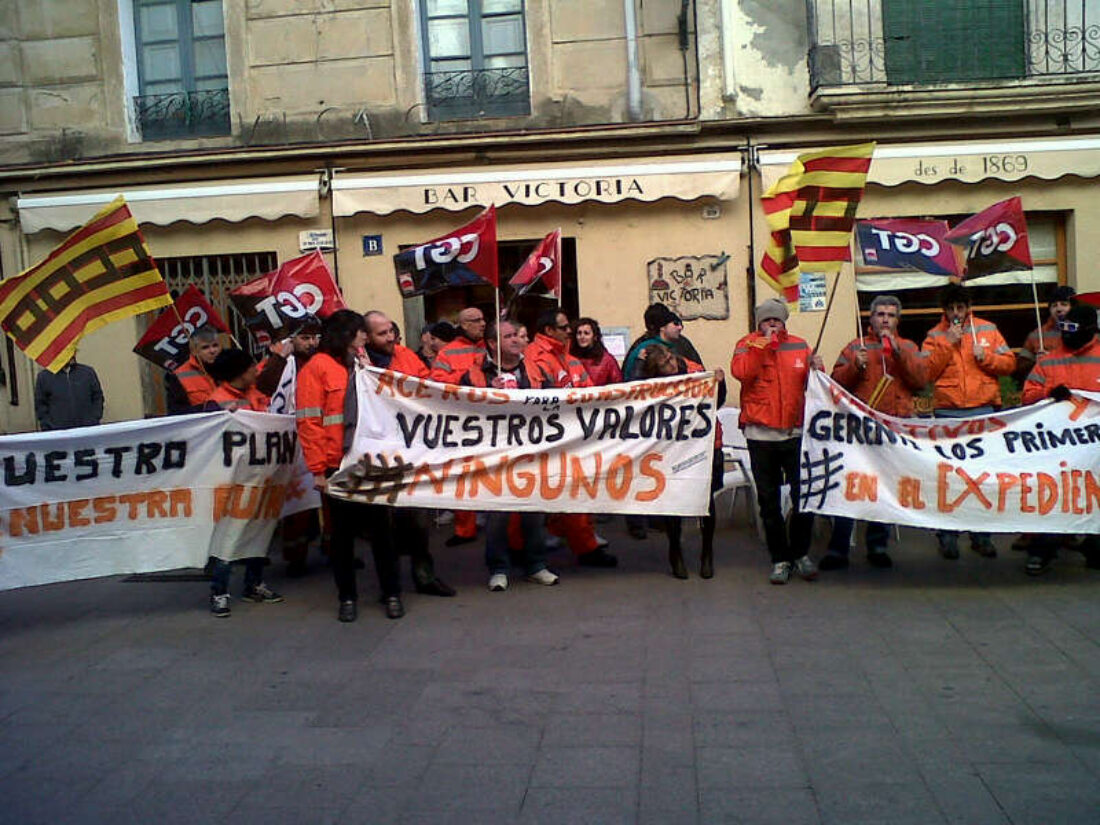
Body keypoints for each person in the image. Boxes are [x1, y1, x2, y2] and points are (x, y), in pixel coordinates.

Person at [297, 309, 402, 622]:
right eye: (360, 332)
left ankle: (392, 592)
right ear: (345, 334)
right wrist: (317, 470)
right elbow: (309, 421)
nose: (365, 337)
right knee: (341, 537)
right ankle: (347, 597)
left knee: (383, 533)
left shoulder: (362, 363)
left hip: (370, 460)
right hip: (335, 465)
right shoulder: (317, 369)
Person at [822, 295, 928, 571]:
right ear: (870, 318)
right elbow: (835, 384)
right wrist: (854, 366)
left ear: (897, 320)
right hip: (859, 430)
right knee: (851, 486)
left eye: (890, 315)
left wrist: (898, 354)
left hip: (893, 428)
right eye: (880, 314)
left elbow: (920, 380)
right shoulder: (854, 346)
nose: (885, 319)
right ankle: (839, 547)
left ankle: (878, 545)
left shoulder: (907, 346)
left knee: (884, 487)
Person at [358, 310, 457, 599]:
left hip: (410, 449)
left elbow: (428, 387)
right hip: (376, 453)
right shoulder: (353, 362)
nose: (390, 338)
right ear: (366, 337)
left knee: (417, 518)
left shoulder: (405, 356)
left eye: (391, 331)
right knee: (382, 523)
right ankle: (390, 587)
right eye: (382, 333)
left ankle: (424, 576)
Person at [730, 298, 824, 585]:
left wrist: (817, 368)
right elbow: (742, 373)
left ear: (785, 321)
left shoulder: (799, 345)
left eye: (777, 319)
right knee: (769, 502)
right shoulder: (746, 344)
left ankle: (800, 553)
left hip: (795, 435)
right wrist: (763, 346)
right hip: (760, 435)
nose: (772, 323)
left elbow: (816, 387)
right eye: (766, 319)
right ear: (758, 322)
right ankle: (780, 558)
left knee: (803, 498)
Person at [462, 319, 560, 590]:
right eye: (509, 337)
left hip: (531, 450)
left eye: (518, 335)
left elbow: (556, 405)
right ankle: (498, 568)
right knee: (498, 514)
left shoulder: (536, 370)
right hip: (495, 454)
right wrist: (487, 394)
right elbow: (460, 411)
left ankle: (536, 565)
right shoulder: (474, 376)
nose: (517, 340)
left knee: (534, 511)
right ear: (492, 344)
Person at [922, 284, 1016, 560]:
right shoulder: (934, 336)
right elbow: (926, 373)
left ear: (968, 307)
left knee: (982, 475)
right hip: (948, 413)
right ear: (944, 309)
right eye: (950, 308)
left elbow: (1009, 364)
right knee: (949, 477)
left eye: (960, 308)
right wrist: (947, 343)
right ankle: (948, 535)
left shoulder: (988, 329)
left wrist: (985, 357)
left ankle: (981, 535)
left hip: (983, 411)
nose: (955, 313)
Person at [526, 309, 617, 568]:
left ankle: (579, 543)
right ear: (548, 331)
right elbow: (535, 397)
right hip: (548, 439)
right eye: (564, 327)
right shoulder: (534, 356)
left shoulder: (568, 356)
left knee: (577, 493)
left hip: (573, 436)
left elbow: (588, 389)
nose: (570, 331)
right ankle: (527, 551)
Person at [1020, 302, 1100, 575]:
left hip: (1094, 450)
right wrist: (1049, 393)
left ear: (1090, 329)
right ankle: (1042, 550)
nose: (1065, 333)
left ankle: (1094, 548)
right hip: (1057, 449)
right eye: (1063, 327)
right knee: (1051, 498)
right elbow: (1027, 396)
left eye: (1072, 328)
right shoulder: (1048, 360)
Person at [205, 347, 283, 617]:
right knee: (229, 536)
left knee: (259, 531)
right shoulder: (217, 403)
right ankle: (219, 592)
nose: (255, 370)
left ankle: (254, 583)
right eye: (252, 367)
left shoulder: (255, 393)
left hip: (261, 476)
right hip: (234, 482)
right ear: (240, 373)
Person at [640, 343, 725, 579]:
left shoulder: (695, 370)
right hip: (674, 449)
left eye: (670, 357)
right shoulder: (655, 387)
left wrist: (720, 381)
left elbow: (717, 401)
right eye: (664, 364)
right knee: (675, 500)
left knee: (706, 501)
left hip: (705, 444)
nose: (672, 363)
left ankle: (707, 554)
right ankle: (675, 550)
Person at [430, 307, 489, 546]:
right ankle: (465, 529)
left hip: (493, 418)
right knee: (464, 476)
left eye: (484, 319)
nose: (482, 324)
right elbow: (437, 384)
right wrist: (463, 379)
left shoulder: (493, 345)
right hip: (463, 421)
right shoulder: (448, 352)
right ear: (463, 325)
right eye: (476, 320)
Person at [621, 303, 703, 380]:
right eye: (675, 324)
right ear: (662, 327)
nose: (680, 327)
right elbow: (638, 382)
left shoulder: (678, 343)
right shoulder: (649, 349)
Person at [1017, 285, 1076, 377]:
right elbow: (1021, 367)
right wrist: (1035, 362)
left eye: (1064, 304)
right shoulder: (1037, 335)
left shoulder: (1084, 331)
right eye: (1054, 306)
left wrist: (1053, 359)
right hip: (1047, 385)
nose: (1059, 309)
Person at [34, 354, 104, 430]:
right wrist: (48, 426)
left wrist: (94, 419)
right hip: (58, 433)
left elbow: (98, 398)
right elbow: (40, 406)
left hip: (87, 430)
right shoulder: (44, 377)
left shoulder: (88, 373)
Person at [166, 325, 221, 413]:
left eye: (215, 346)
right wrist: (204, 408)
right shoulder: (179, 376)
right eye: (205, 347)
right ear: (194, 351)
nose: (212, 351)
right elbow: (176, 413)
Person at [571, 317, 623, 387]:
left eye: (586, 333)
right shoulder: (571, 358)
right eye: (579, 333)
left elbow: (618, 385)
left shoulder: (607, 360)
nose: (582, 336)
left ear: (595, 337)